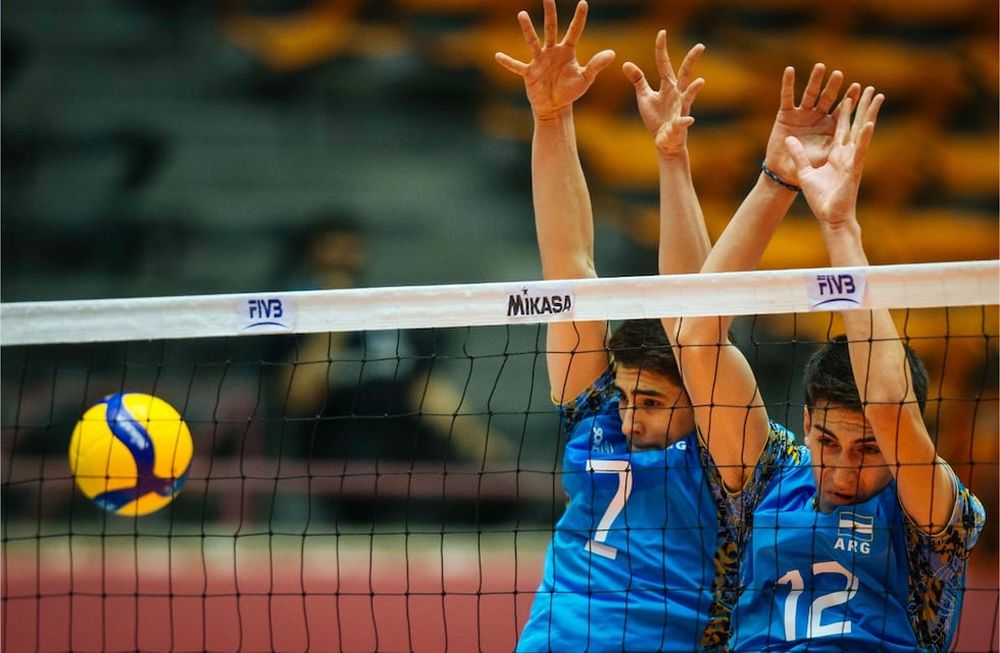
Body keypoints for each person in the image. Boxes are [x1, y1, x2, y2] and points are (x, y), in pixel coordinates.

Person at [495, 1, 861, 649]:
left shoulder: (730, 465)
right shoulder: (598, 418)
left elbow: (700, 322)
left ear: (695, 398)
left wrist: (675, 161)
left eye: (655, 403)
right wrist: (551, 118)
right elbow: (569, 268)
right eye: (632, 396)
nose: (632, 416)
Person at [725, 90, 986, 650]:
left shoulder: (932, 519)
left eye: (868, 450)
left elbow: (890, 410)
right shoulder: (772, 479)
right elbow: (695, 340)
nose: (843, 474)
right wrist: (776, 178)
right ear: (805, 429)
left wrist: (839, 225)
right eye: (826, 442)